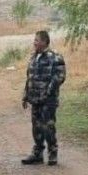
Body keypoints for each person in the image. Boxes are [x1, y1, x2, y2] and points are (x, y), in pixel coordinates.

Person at [21, 29, 67, 166]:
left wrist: (48, 92)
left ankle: (52, 153)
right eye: (34, 40)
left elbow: (60, 77)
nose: (34, 43)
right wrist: (25, 96)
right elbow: (29, 77)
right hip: (35, 99)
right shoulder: (33, 57)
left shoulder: (55, 57)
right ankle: (37, 154)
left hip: (48, 100)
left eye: (37, 40)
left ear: (44, 41)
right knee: (36, 128)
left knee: (48, 127)